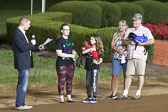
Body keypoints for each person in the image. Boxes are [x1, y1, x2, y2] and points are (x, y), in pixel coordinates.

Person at [118, 13, 155, 100]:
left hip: (141, 56)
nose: (134, 22)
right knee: (128, 75)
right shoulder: (129, 30)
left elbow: (152, 40)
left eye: (135, 20)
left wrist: (142, 43)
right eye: (133, 20)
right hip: (130, 55)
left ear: (140, 21)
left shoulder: (145, 30)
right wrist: (130, 42)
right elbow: (124, 42)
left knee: (140, 75)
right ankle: (125, 93)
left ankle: (138, 93)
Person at [12, 17, 44, 110]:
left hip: (26, 62)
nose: (29, 26)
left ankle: (21, 103)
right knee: (22, 84)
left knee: (22, 83)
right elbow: (22, 47)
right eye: (29, 24)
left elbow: (27, 47)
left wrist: (38, 48)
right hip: (22, 62)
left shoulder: (21, 33)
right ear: (23, 24)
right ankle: (19, 104)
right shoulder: (17, 34)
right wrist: (31, 43)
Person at [56, 24, 77, 103]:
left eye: (68, 30)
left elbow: (72, 49)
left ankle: (69, 97)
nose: (67, 31)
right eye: (65, 30)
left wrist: (75, 55)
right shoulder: (60, 41)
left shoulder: (71, 40)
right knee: (62, 80)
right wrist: (71, 55)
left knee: (69, 80)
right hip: (62, 63)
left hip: (70, 63)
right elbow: (59, 53)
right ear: (62, 31)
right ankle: (61, 98)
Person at [107, 20, 128, 100]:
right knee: (115, 75)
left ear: (126, 26)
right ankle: (113, 94)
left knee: (126, 75)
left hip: (126, 58)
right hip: (116, 57)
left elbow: (131, 44)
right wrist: (118, 50)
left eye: (123, 25)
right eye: (119, 25)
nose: (121, 26)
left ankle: (125, 93)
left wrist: (125, 50)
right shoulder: (115, 34)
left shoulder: (128, 35)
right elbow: (112, 45)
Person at [82, 34, 104, 103]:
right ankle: (88, 96)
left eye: (92, 39)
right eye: (90, 39)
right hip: (88, 67)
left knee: (94, 82)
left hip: (95, 68)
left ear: (96, 40)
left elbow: (101, 60)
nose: (90, 40)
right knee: (88, 83)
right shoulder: (89, 48)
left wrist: (97, 62)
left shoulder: (99, 49)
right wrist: (90, 49)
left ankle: (94, 96)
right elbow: (83, 52)